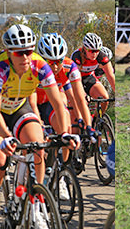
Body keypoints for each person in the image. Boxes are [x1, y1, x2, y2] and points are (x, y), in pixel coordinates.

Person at [0, 25, 78, 229]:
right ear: (8, 53)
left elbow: (59, 104)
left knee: (38, 146)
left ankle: (36, 204)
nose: (24, 57)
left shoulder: (40, 66)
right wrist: (6, 137)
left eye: (28, 51)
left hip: (18, 107)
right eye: (18, 52)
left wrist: (65, 133)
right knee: (0, 162)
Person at [34, 33, 93, 201]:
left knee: (65, 126)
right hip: (30, 104)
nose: (55, 66)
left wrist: (88, 125)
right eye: (50, 62)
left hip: (49, 104)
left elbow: (79, 98)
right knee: (36, 141)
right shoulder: (34, 66)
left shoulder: (69, 67)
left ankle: (60, 173)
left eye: (58, 61)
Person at [70, 33, 116, 111]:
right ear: (85, 48)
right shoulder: (77, 56)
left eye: (97, 50)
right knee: (81, 103)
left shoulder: (101, 56)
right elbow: (75, 79)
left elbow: (111, 76)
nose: (94, 54)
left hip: (89, 78)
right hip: (75, 80)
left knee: (104, 98)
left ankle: (96, 120)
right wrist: (83, 94)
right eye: (91, 51)